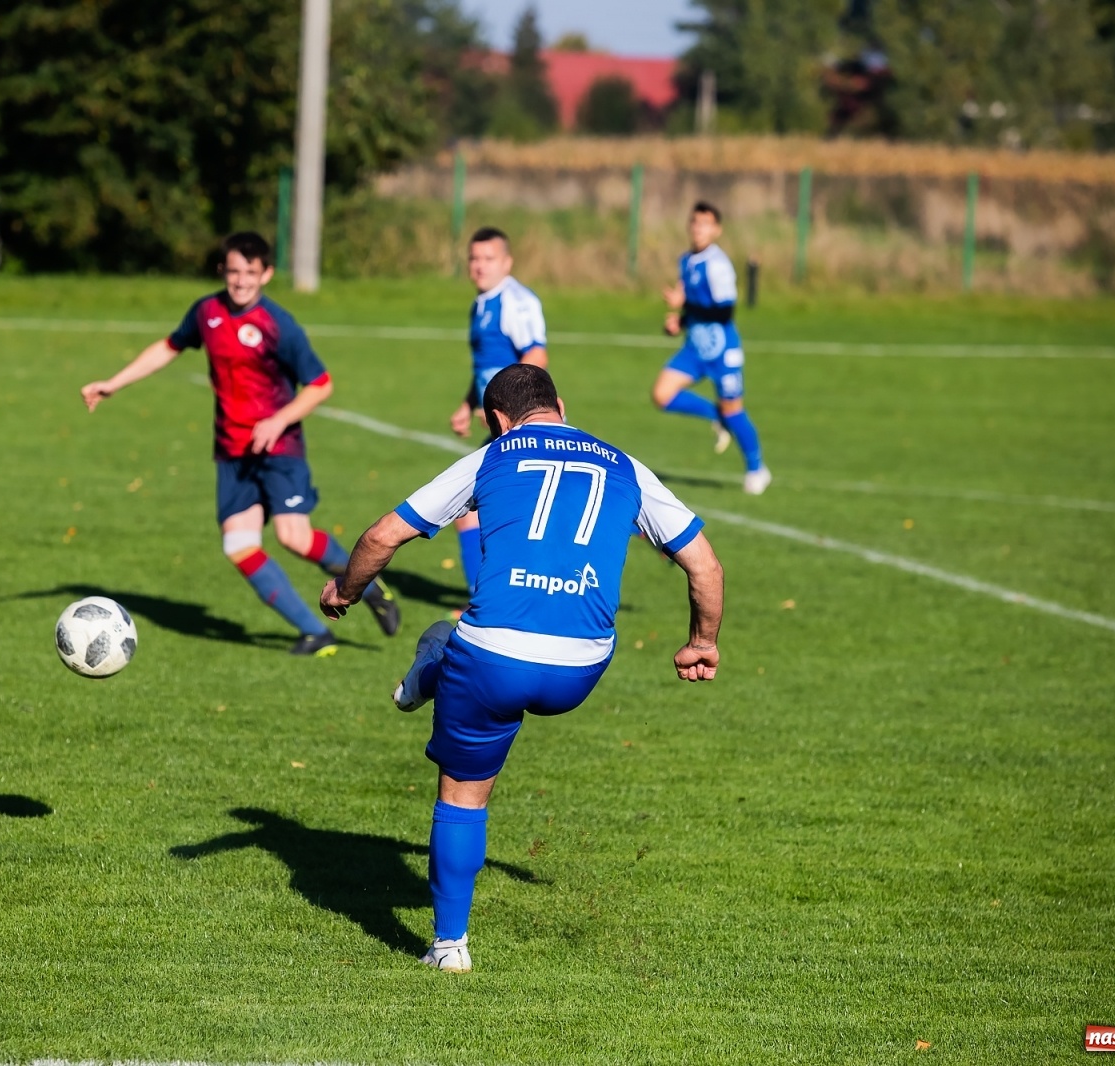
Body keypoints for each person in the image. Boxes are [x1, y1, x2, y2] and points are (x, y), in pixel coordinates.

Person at [320, 364, 725, 972]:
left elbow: (382, 537)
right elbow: (706, 568)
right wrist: (702, 641)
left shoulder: (493, 455)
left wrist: (347, 593)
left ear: (496, 422)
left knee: (463, 794)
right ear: (561, 405)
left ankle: (449, 946)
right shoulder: (625, 465)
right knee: (478, 656)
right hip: (580, 667)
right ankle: (437, 664)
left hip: (493, 658)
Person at [80, 231, 400, 657]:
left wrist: (277, 420)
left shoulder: (279, 325)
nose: (241, 281)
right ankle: (315, 632)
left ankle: (371, 587)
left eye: (250, 272)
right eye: (233, 271)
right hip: (232, 452)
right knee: (238, 545)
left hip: (278, 449)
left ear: (265, 273)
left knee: (293, 538)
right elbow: (169, 347)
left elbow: (321, 385)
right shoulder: (206, 312)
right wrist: (114, 383)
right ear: (222, 271)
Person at [450, 226, 548, 596]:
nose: (479, 266)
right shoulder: (483, 302)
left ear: (507, 262)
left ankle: (485, 604)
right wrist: (469, 403)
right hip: (506, 426)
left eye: (488, 259)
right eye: (474, 258)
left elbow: (536, 357)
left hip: (524, 427)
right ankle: (486, 600)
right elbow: (486, 367)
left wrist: (508, 404)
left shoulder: (516, 302)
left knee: (473, 509)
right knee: (471, 510)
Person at [652, 202, 771, 496]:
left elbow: (724, 312)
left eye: (704, 223)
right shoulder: (686, 261)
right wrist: (679, 322)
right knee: (661, 394)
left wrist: (686, 307)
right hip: (695, 348)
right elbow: (697, 311)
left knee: (735, 411)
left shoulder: (718, 265)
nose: (697, 228)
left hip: (722, 352)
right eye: (694, 222)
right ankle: (714, 416)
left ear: (716, 230)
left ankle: (757, 469)